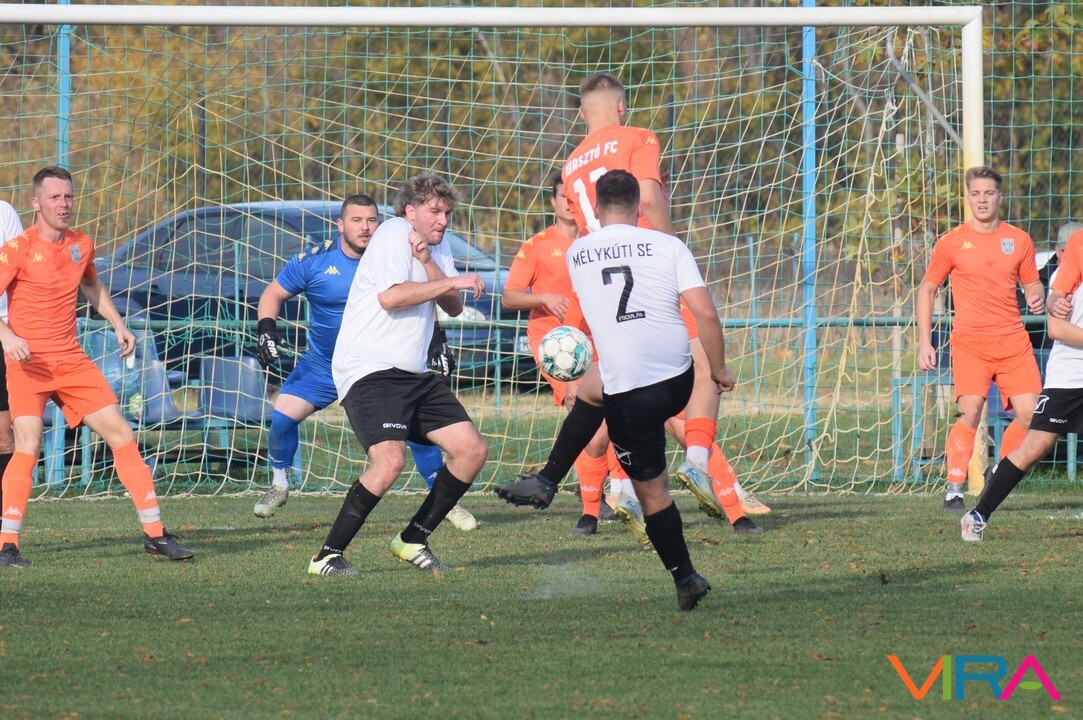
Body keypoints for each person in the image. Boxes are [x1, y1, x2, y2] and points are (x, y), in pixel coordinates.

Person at [496, 72, 768, 527]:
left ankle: (571, 481)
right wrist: (671, 247)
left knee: (604, 386)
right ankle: (696, 464)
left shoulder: (572, 163)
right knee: (704, 362)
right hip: (644, 263)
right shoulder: (638, 137)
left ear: (581, 114)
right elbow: (650, 197)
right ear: (622, 106)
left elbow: (585, 228)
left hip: (598, 273)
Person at [0, 166, 192, 568]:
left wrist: (119, 324)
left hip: (72, 361)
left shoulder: (81, 245)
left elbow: (91, 284)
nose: (63, 204)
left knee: (122, 433)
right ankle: (8, 546)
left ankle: (155, 534)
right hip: (29, 365)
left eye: (68, 196)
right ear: (35, 203)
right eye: (54, 197)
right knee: (28, 443)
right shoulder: (18, 248)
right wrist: (7, 337)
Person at [251, 195, 476, 531]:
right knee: (282, 416)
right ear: (340, 225)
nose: (366, 227)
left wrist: (436, 339)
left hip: (376, 366)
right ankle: (279, 483)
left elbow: (418, 297)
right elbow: (273, 293)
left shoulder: (392, 252)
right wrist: (266, 329)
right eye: (357, 220)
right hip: (322, 365)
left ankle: (444, 501)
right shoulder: (316, 260)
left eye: (372, 220)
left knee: (415, 434)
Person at [308, 172, 487, 577]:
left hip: (412, 373)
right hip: (370, 368)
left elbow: (454, 306)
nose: (443, 220)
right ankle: (327, 556)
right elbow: (391, 297)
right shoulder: (392, 232)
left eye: (447, 213)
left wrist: (429, 263)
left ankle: (413, 539)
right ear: (410, 211)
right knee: (389, 462)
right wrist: (451, 279)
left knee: (471, 449)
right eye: (434, 211)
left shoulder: (437, 248)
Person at [565, 169, 729, 610]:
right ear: (640, 206)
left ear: (596, 209)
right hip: (676, 380)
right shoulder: (669, 245)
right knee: (633, 414)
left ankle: (683, 574)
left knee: (650, 488)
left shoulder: (578, 252)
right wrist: (719, 370)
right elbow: (707, 314)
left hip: (627, 388)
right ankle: (695, 461)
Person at [916, 166, 1045, 513]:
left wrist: (1036, 294)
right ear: (968, 198)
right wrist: (925, 342)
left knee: (1031, 416)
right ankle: (954, 490)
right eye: (976, 194)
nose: (982, 200)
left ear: (1000, 197)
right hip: (970, 342)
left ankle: (998, 471)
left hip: (1013, 341)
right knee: (970, 410)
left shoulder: (1019, 240)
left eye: (989, 193)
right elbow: (927, 289)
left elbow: (1032, 282)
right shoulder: (952, 241)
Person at [502, 173, 614, 534]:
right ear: (553, 202)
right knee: (585, 417)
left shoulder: (597, 242)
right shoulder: (537, 246)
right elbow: (509, 296)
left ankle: (613, 493)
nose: (569, 203)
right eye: (562, 197)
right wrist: (544, 298)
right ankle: (593, 504)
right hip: (556, 345)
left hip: (597, 339)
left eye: (573, 197)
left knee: (610, 421)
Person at [961, 225, 1083, 541]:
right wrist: (1055, 301)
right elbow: (1056, 327)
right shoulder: (1078, 245)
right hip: (1071, 374)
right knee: (1036, 445)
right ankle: (978, 514)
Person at [0, 200, 24, 512]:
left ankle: (5, 526)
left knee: (5, 434)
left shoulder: (3, 212)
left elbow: (20, 272)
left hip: (5, 331)